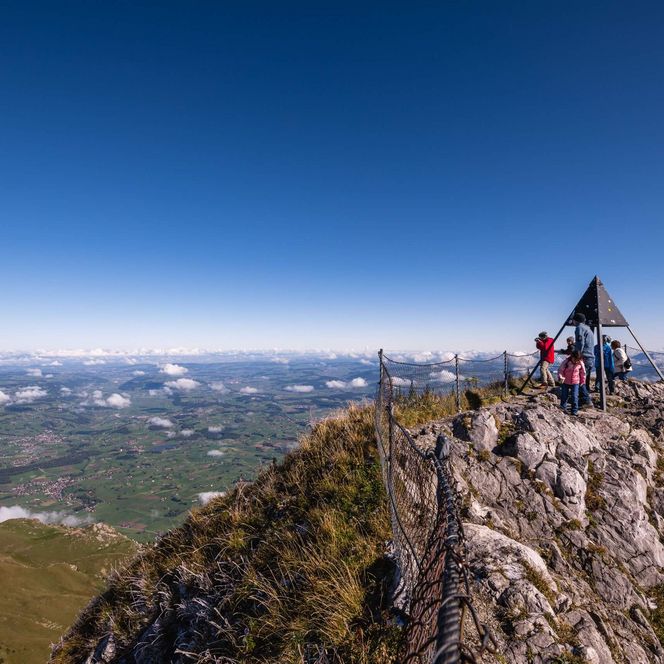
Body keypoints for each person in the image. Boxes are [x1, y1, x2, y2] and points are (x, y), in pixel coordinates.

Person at [573, 312, 594, 406]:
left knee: (578, 379)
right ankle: (582, 399)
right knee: (583, 379)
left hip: (584, 357)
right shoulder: (588, 329)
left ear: (575, 320)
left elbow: (580, 343)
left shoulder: (579, 328)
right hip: (590, 357)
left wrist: (577, 355)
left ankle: (586, 400)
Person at [558, 350, 586, 416]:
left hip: (575, 382)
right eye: (575, 359)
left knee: (575, 396)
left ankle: (574, 411)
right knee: (564, 396)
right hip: (565, 382)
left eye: (577, 360)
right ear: (572, 357)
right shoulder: (567, 362)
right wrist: (561, 376)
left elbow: (583, 373)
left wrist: (583, 381)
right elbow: (561, 370)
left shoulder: (580, 363)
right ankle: (563, 409)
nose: (576, 361)